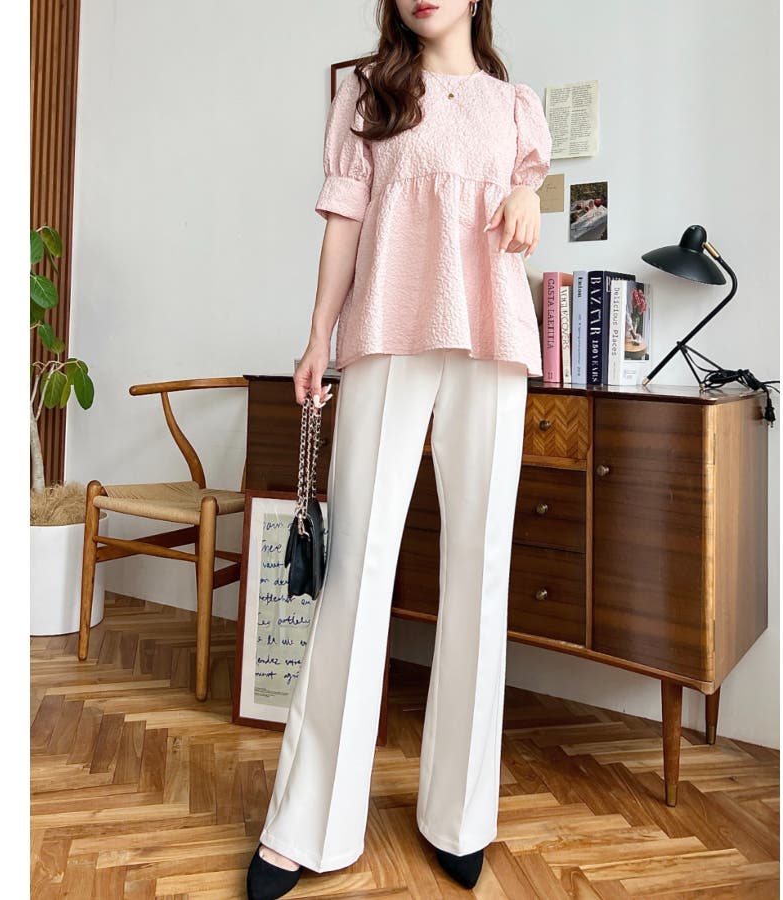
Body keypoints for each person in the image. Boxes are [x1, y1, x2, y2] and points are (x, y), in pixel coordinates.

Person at [246, 2, 552, 897]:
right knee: (355, 572)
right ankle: (308, 824)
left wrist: (529, 194)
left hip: (492, 343)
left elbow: (523, 200)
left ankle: (460, 816)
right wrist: (317, 337)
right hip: (384, 334)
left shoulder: (517, 107)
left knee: (480, 572)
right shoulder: (366, 91)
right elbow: (343, 222)